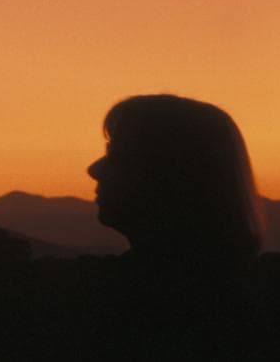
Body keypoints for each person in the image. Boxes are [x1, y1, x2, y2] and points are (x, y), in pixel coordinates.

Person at [80, 94, 266, 360]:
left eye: (118, 155)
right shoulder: (226, 300)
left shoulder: (144, 305)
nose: (94, 169)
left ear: (171, 174)